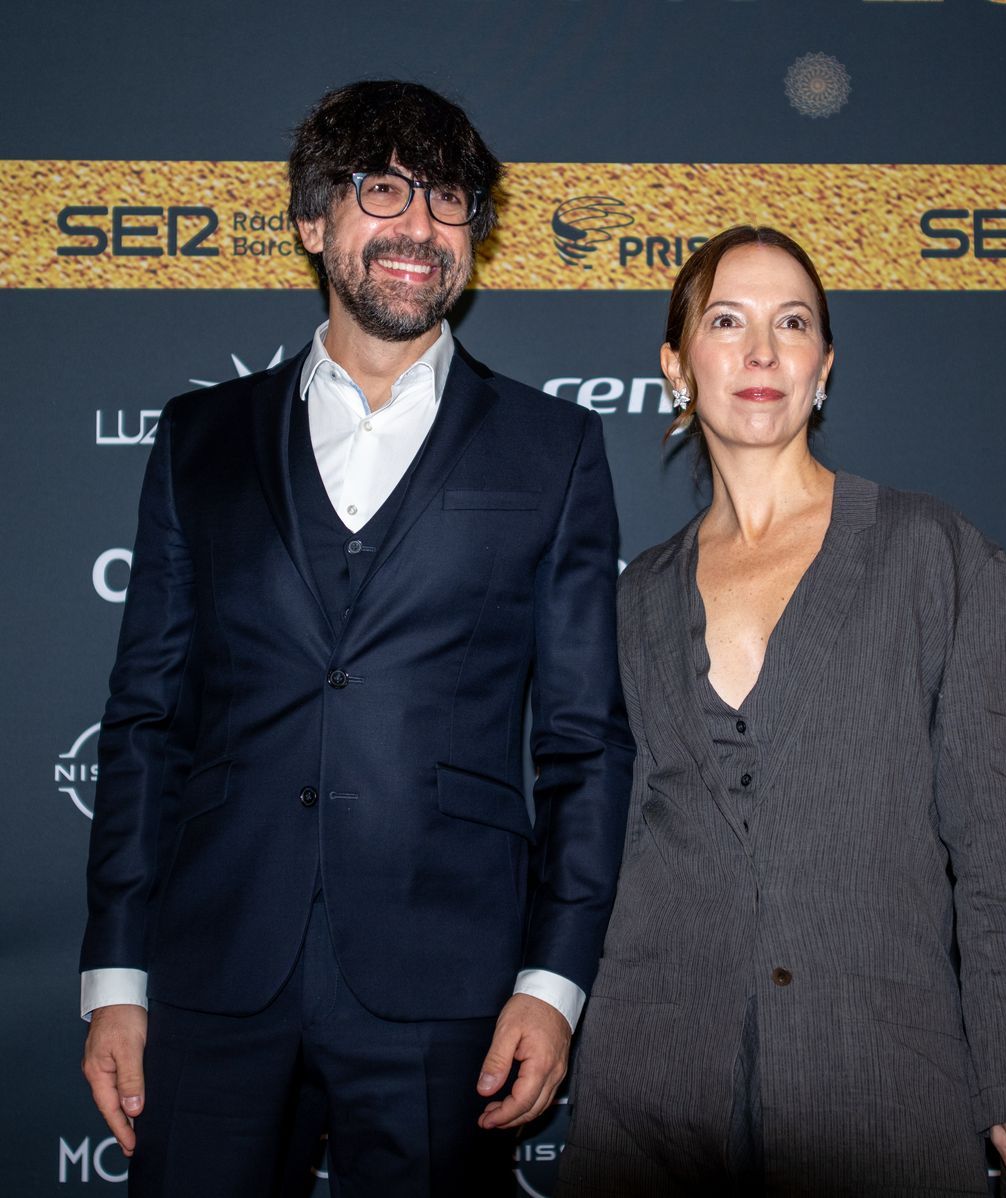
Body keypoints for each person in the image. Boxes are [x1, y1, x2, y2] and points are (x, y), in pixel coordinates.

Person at [80, 80, 633, 1197]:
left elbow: (583, 743)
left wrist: (553, 978)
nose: (420, 227)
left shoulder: (552, 446)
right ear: (312, 222)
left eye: (449, 199)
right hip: (215, 969)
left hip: (451, 989)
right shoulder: (200, 439)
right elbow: (145, 720)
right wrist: (116, 978)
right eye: (383, 191)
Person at [557, 226, 1006, 1196]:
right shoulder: (632, 598)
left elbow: (994, 850)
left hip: (883, 1088)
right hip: (651, 1096)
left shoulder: (934, 556)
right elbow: (608, 841)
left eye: (792, 323)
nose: (761, 352)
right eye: (727, 321)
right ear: (676, 366)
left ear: (824, 366)